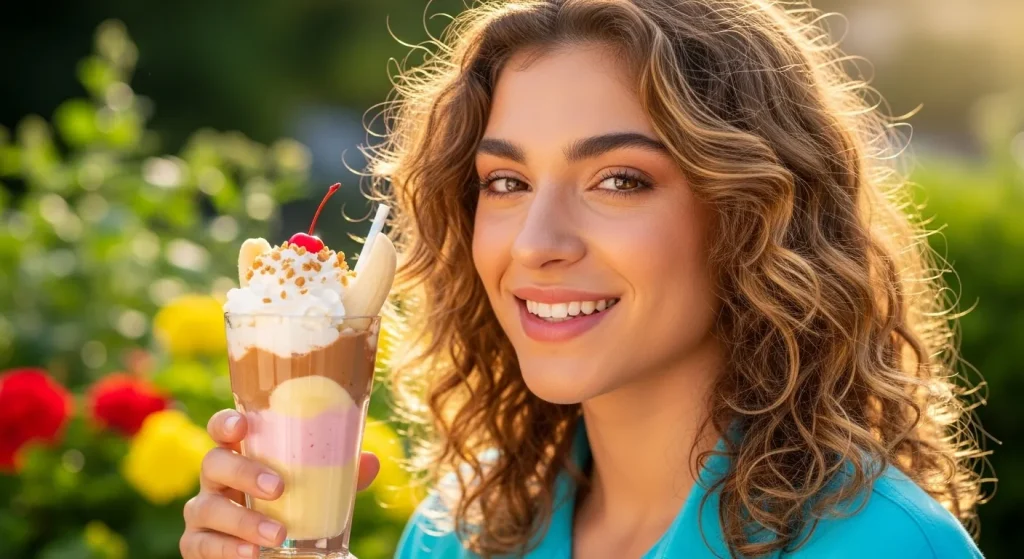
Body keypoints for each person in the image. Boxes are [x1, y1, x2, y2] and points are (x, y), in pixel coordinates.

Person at [179, 1, 990, 557]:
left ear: (751, 213)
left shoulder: (882, 543)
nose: (536, 243)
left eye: (619, 180)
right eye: (505, 182)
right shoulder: (457, 534)